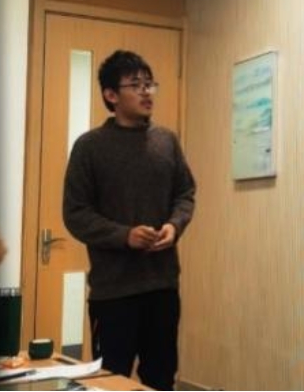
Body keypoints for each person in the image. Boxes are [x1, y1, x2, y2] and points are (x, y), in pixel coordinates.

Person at [63, 50, 195, 391]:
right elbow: (75, 213)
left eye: (150, 84)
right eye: (135, 85)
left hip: (162, 286)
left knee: (161, 380)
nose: (146, 91)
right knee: (110, 381)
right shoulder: (89, 147)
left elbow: (185, 193)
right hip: (113, 292)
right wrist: (125, 236)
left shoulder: (166, 141)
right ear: (111, 95)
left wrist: (174, 225)